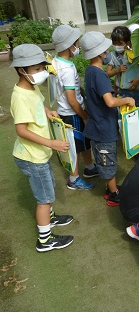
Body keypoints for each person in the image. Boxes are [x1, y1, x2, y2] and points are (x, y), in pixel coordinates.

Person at [10, 44, 74, 252]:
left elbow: (38, 102)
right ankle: (45, 240)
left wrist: (47, 112)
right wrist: (51, 143)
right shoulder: (19, 97)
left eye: (42, 68)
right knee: (44, 199)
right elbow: (21, 130)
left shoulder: (31, 87)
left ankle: (51, 218)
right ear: (23, 70)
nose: (41, 73)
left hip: (39, 154)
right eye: (37, 69)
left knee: (48, 190)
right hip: (32, 156)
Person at [80, 31, 135, 206]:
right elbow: (110, 102)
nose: (109, 54)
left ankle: (110, 187)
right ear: (100, 54)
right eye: (106, 51)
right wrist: (126, 100)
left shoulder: (90, 71)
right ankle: (113, 194)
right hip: (103, 130)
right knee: (107, 162)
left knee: (104, 160)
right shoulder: (100, 75)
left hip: (97, 126)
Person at [51, 24, 98, 190]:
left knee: (83, 141)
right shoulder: (67, 70)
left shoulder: (56, 62)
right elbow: (72, 100)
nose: (78, 46)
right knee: (76, 146)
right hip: (73, 113)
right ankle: (74, 178)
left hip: (67, 111)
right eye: (76, 43)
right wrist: (84, 116)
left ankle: (90, 167)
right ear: (69, 45)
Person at [106, 26, 139, 125]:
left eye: (120, 43)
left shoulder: (137, 54)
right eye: (114, 43)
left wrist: (138, 80)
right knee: (127, 115)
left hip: (138, 90)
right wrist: (117, 70)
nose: (117, 46)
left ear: (128, 43)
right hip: (123, 91)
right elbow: (107, 73)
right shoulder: (113, 56)